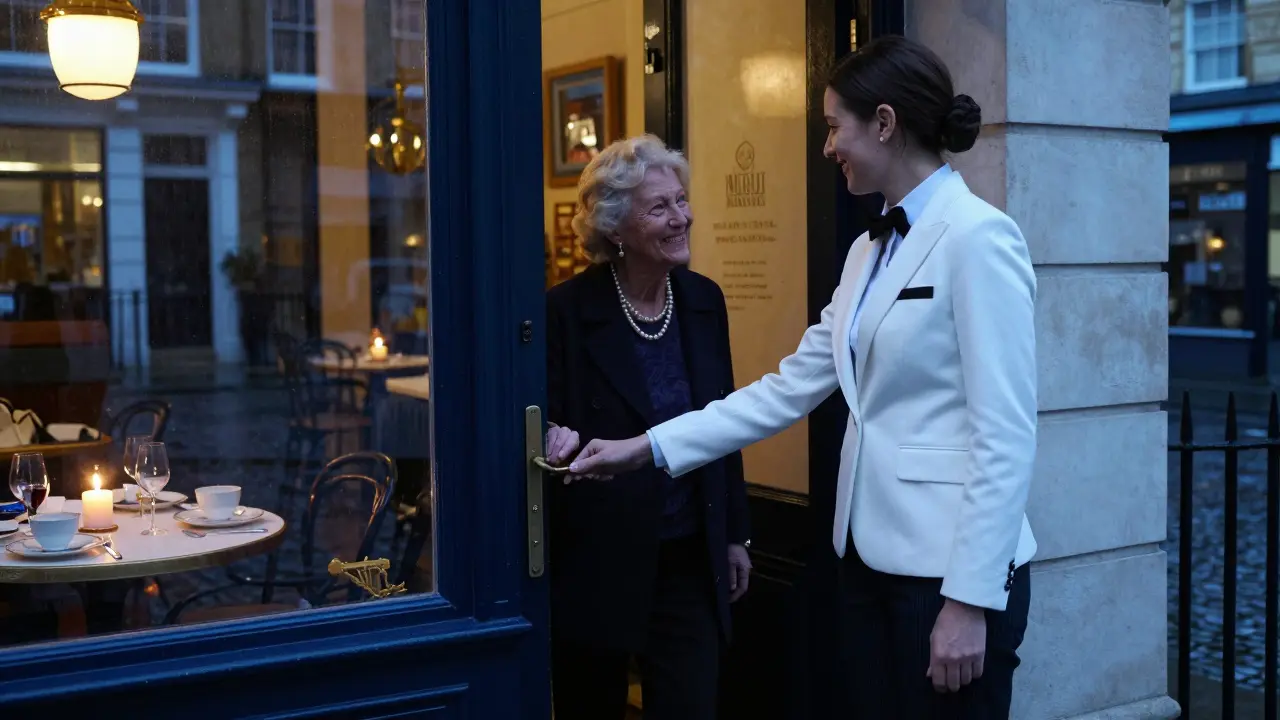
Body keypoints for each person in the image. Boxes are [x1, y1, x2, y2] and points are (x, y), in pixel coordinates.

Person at [566, 36, 1036, 719]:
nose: (827, 147)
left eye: (832, 126)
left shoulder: (980, 237)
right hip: (867, 566)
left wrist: (968, 602)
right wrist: (645, 448)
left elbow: (1007, 433)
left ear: (883, 123)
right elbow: (787, 388)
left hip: (948, 579)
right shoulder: (865, 250)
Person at [542, 134, 752, 720]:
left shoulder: (703, 301)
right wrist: (552, 438)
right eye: (659, 208)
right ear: (614, 228)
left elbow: (724, 422)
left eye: (680, 202)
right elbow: (544, 420)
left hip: (688, 551)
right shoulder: (565, 312)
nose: (680, 218)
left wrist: (734, 532)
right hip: (599, 558)